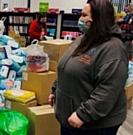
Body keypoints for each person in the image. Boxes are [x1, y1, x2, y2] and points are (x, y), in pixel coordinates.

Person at [49, 0, 128, 135]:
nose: (80, 19)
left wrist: (83, 114)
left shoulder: (113, 49)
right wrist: (56, 89)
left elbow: (108, 90)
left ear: (98, 18)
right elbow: (66, 66)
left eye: (84, 15)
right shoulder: (84, 39)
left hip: (94, 125)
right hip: (70, 117)